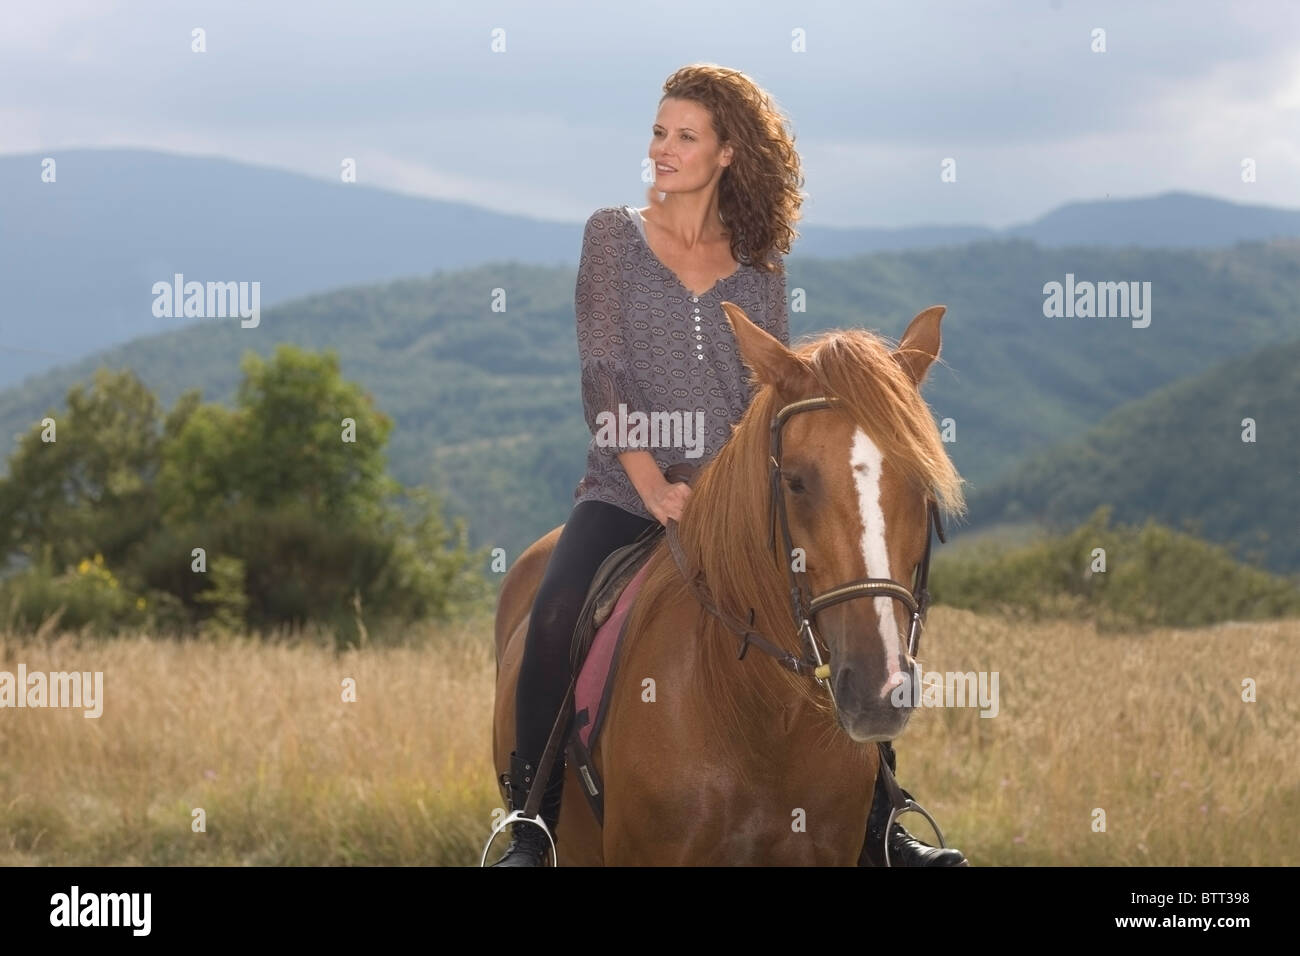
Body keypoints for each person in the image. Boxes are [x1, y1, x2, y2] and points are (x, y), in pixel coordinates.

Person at [491, 63, 964, 867]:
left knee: (826, 616)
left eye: (685, 136)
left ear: (727, 155)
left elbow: (768, 395)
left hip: (735, 496)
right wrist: (649, 481)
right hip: (625, 488)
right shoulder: (613, 234)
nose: (663, 149)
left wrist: (729, 494)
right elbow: (601, 371)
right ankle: (532, 827)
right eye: (658, 132)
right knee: (554, 614)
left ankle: (883, 817)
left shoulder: (758, 260)